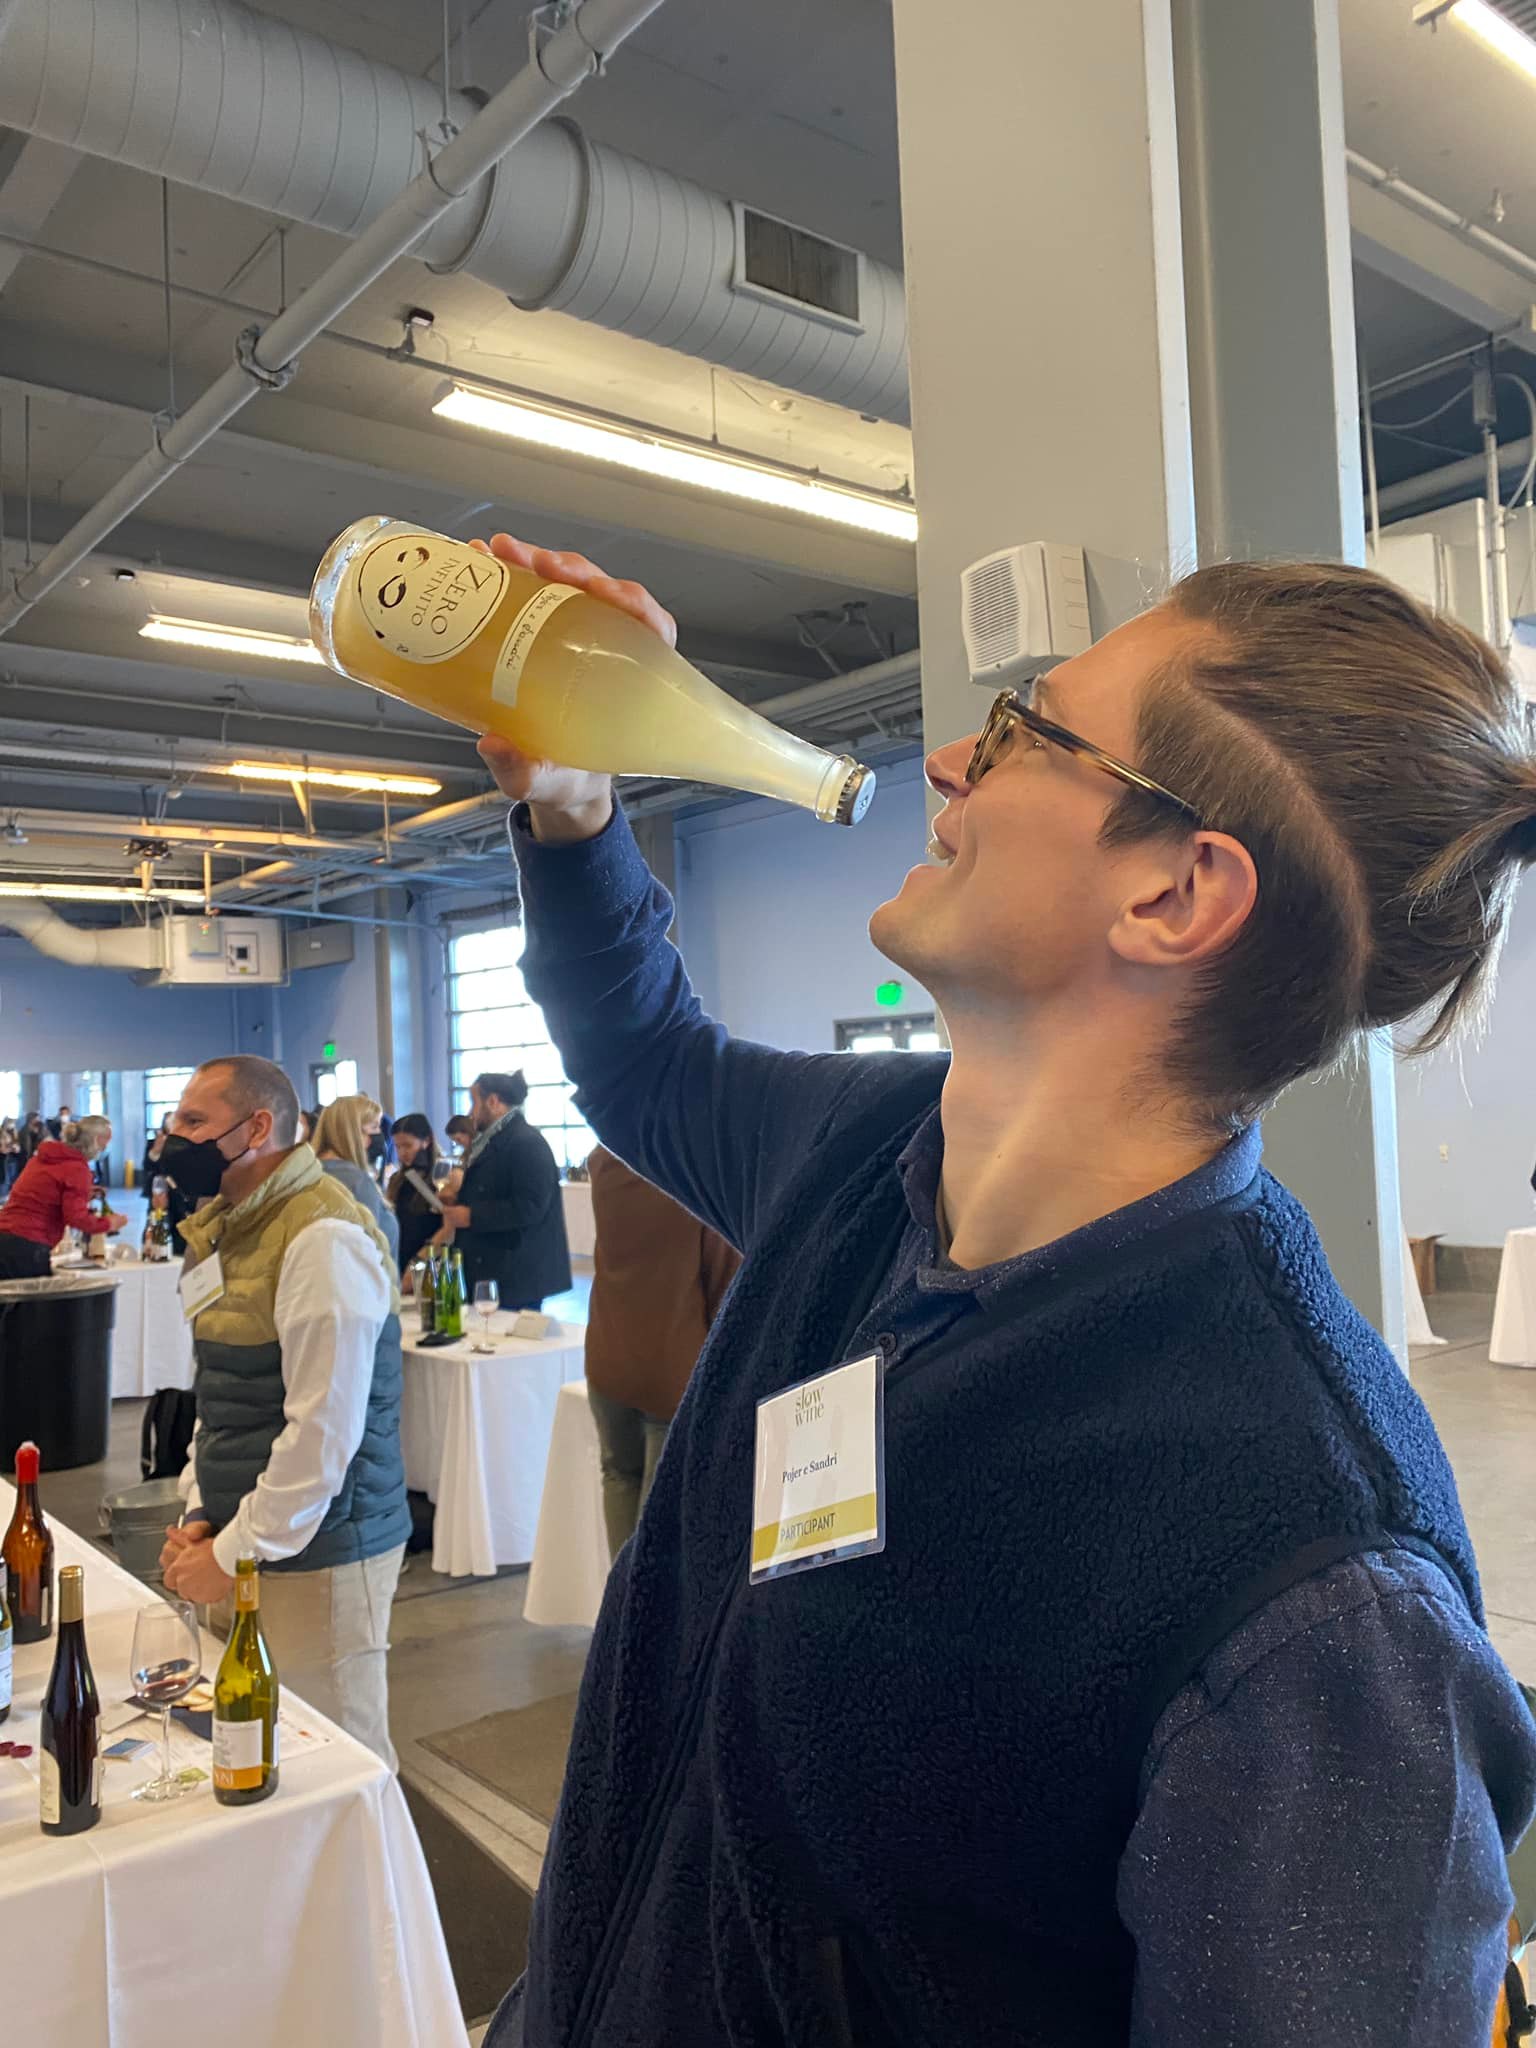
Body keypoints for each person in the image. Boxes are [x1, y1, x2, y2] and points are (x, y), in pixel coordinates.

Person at [473, 535, 1536, 2048]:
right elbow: (645, 1062)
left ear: (1175, 891)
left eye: (1030, 726)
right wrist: (573, 805)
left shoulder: (1322, 1589)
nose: (955, 757)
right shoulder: (860, 1153)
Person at [157, 1056, 409, 1768]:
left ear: (257, 1127)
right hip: (244, 1537)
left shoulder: (322, 1236)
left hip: (324, 1549)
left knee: (337, 1759)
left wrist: (232, 1553)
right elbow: (223, 1393)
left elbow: (322, 1436)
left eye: (194, 1121)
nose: (174, 1138)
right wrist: (203, 1510)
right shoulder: (229, 1228)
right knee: (252, 1742)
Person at [584, 1146, 741, 1561]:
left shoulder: (605, 1161)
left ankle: (619, 1592)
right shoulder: (698, 1173)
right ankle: (638, 1598)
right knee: (660, 1512)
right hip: (672, 1365)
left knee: (618, 1476)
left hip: (608, 1352)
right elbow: (724, 1282)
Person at [435, 1073, 570, 1312]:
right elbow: (492, 1190)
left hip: (515, 1273)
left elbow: (530, 1206)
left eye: (474, 1102)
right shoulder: (494, 1140)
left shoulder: (526, 1142)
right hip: (495, 1267)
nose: (470, 1112)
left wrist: (471, 1215)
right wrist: (459, 1198)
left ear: (493, 1102)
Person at [0, 1114, 126, 1277]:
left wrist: (83, 1194)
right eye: (106, 1140)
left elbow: (43, 1194)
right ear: (96, 1140)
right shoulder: (77, 1169)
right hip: (29, 1244)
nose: (106, 1147)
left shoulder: (42, 1158)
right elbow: (76, 1218)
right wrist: (109, 1223)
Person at [312, 1094, 400, 1265]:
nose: (379, 1134)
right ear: (353, 1132)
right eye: (374, 1127)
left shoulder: (311, 1172)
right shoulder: (357, 1182)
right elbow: (372, 1249)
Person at [386, 1113, 441, 1277]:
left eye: (408, 1145)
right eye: (398, 1147)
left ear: (426, 1141)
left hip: (432, 1261)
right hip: (402, 1260)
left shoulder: (441, 1177)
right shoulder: (397, 1180)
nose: (402, 1153)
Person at [141, 1111, 193, 1245]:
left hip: (182, 1194)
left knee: (181, 1227)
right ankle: (153, 1247)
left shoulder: (189, 1143)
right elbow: (148, 1166)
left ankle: (179, 1248)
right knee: (156, 1223)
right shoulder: (155, 1142)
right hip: (159, 1192)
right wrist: (156, 1151)